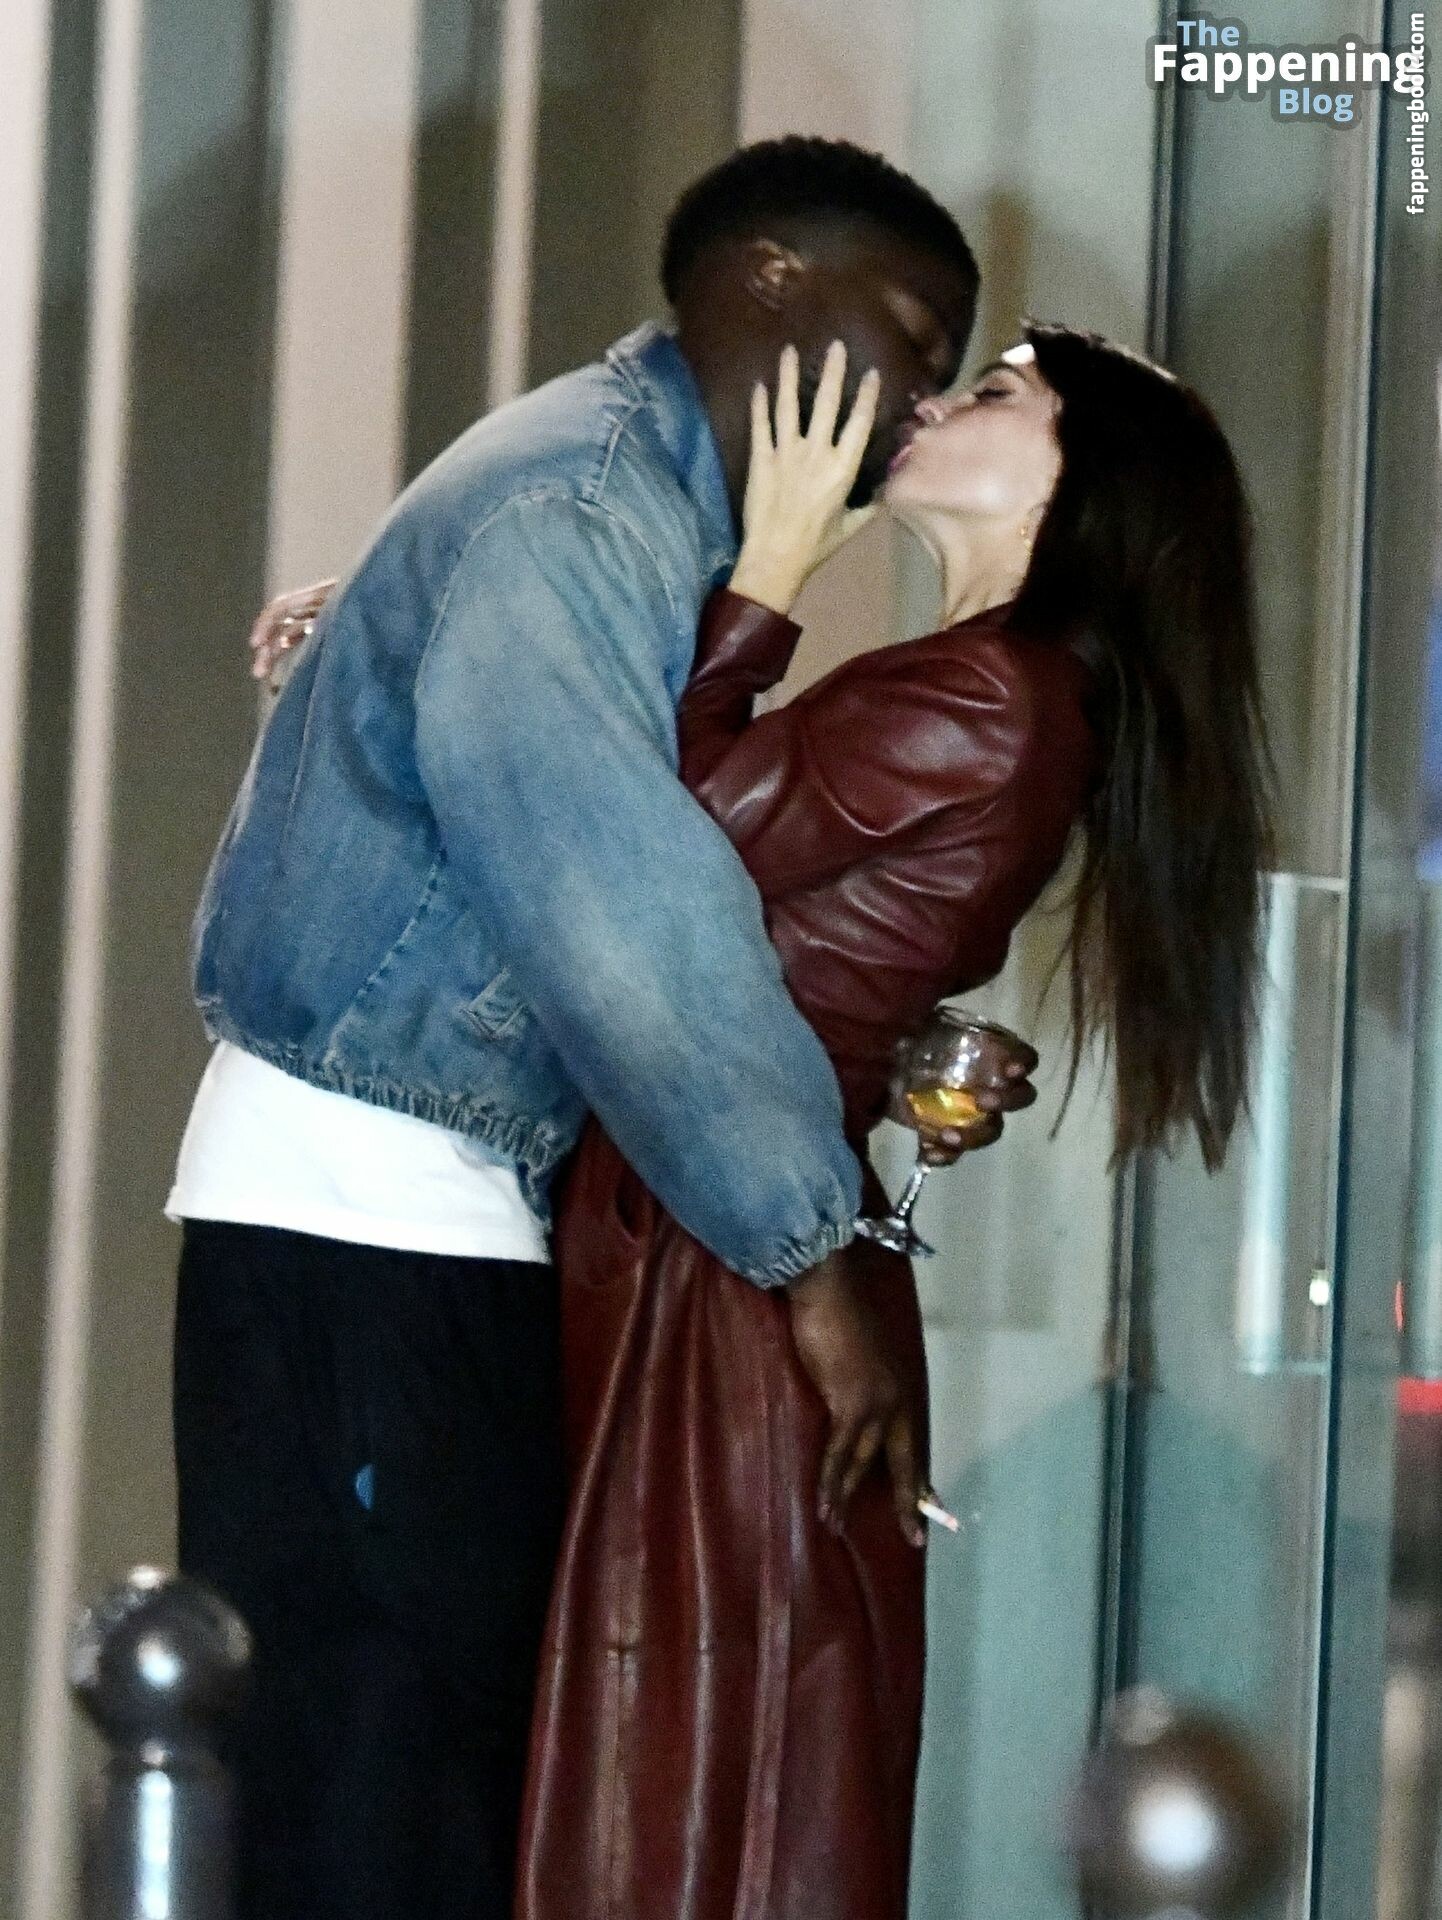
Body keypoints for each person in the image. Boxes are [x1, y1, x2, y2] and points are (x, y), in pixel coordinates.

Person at [257, 324, 1272, 1919]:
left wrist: (770, 573)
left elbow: (625, 842)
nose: (939, 402)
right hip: (723, 1236)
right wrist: (433, 651)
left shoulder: (988, 694)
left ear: (1085, 486)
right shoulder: (996, 689)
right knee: (686, 1741)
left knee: (668, 1755)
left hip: (714, 1259)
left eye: (1001, 393)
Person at [166, 136, 1038, 1920]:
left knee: (384, 1789)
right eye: (913, 336)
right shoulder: (577, 515)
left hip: (390, 1211)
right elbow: (623, 915)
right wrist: (810, 1256)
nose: (921, 396)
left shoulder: (605, 495)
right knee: (380, 1811)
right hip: (374, 1217)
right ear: (773, 280)